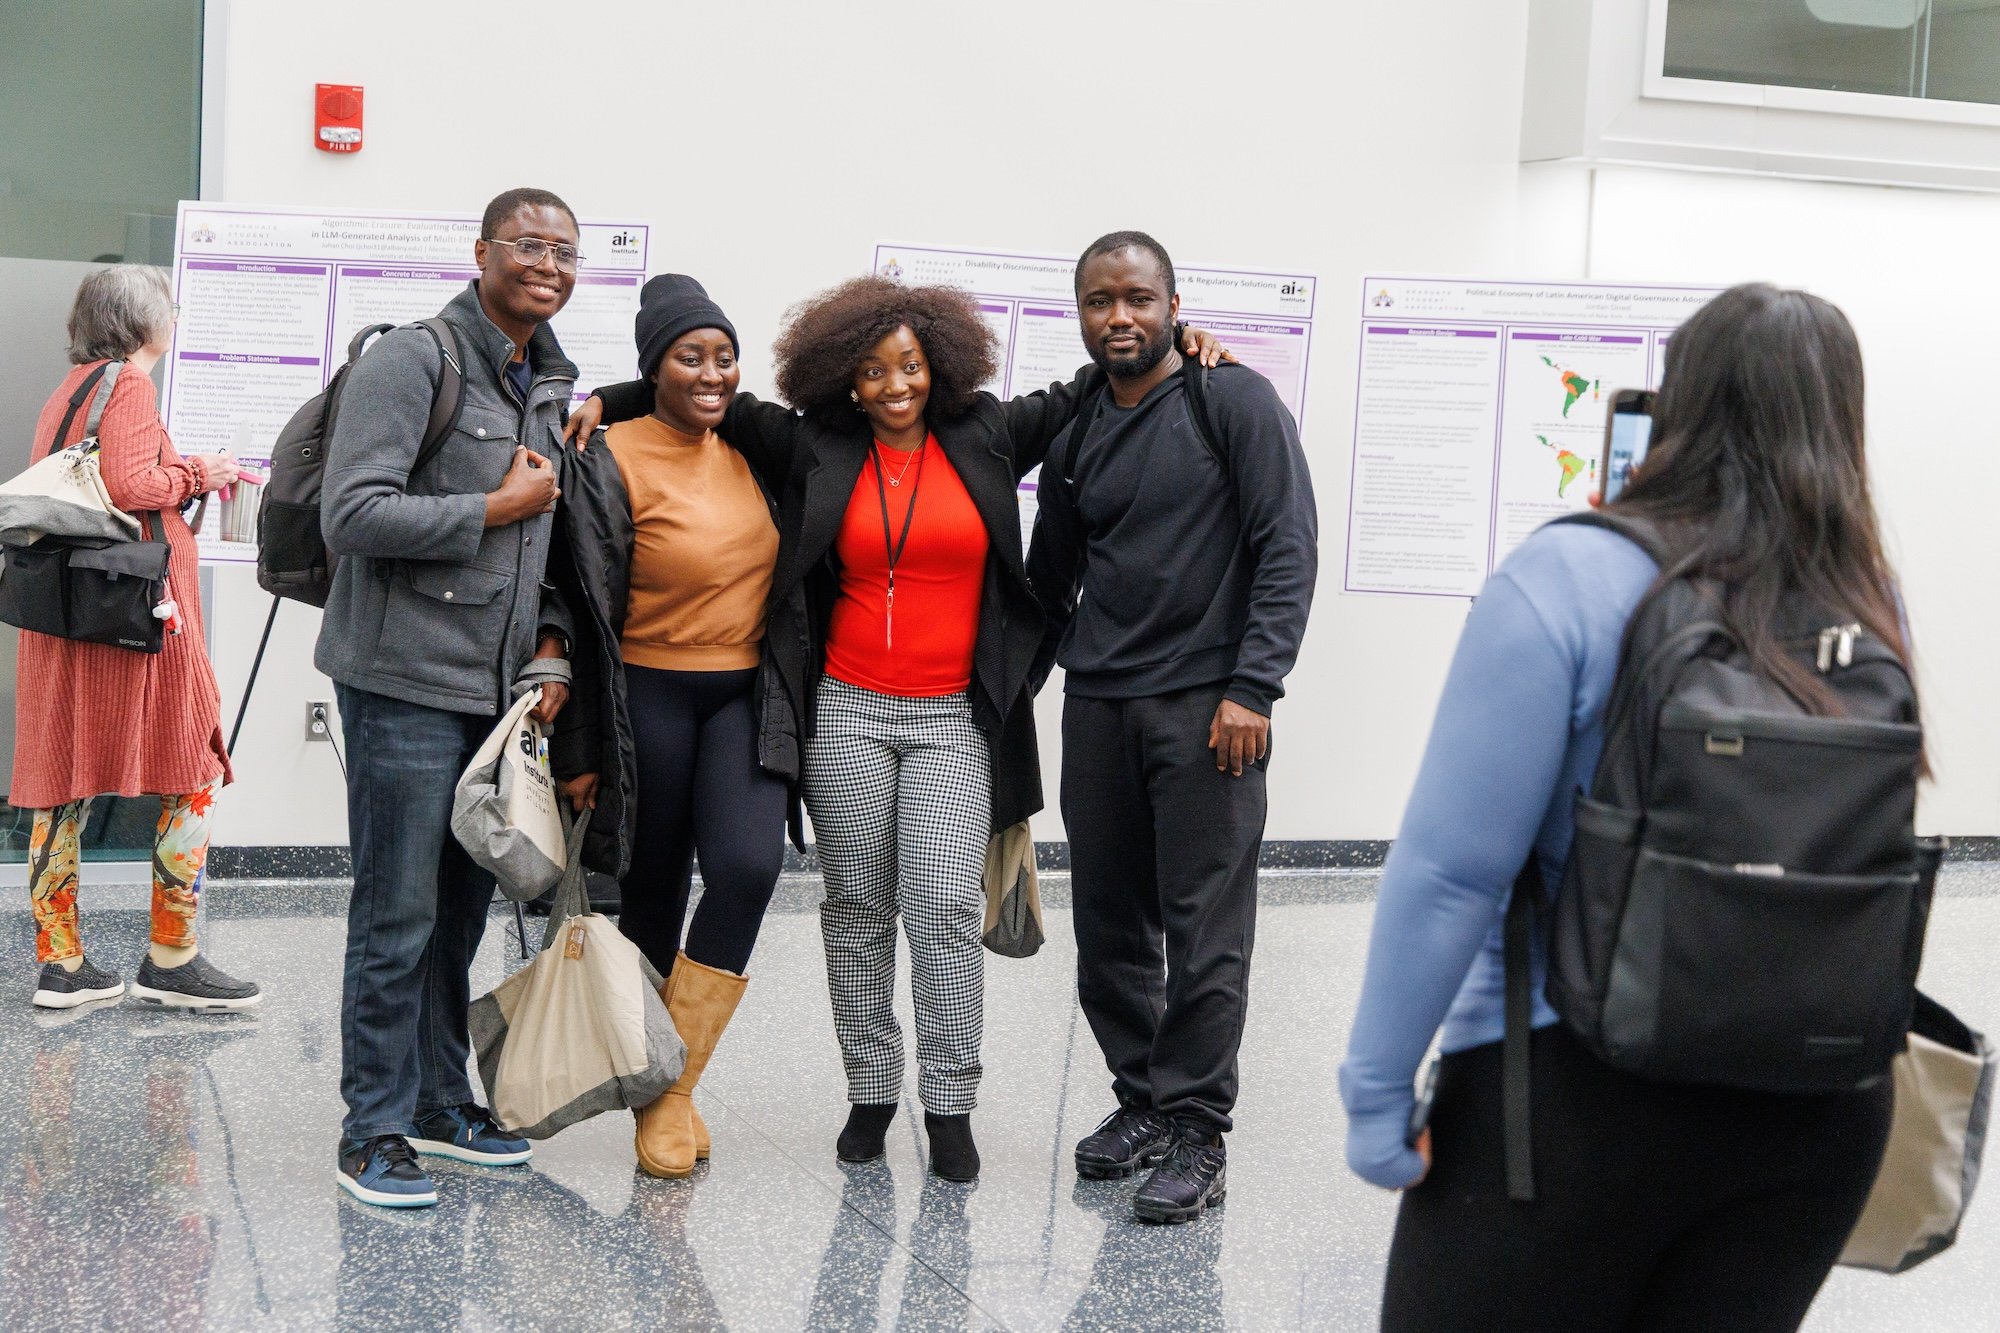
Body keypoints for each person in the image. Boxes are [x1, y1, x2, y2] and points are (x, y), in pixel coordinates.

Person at [568, 276, 1231, 1182]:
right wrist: (611, 395)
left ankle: (950, 1103)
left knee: (947, 911)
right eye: (874, 370)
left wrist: (1187, 340)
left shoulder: (987, 433)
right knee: (854, 912)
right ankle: (871, 1090)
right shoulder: (814, 445)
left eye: (911, 367)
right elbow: (705, 387)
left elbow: (1094, 379)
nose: (895, 386)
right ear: (846, 377)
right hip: (845, 708)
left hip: (952, 715)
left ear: (939, 368)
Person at [1338, 285, 1909, 1330]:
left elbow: (1449, 871)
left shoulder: (1567, 572)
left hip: (1568, 1096)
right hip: (1818, 1106)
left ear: (1675, 403)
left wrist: (1375, 1097)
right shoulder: (1865, 593)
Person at [1028, 231, 1317, 1224]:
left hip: (1208, 709)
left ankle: (1196, 1126)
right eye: (1100, 300)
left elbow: (1287, 543)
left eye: (1137, 298)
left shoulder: (1225, 399)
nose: (1120, 315)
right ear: (1079, 313)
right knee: (1107, 919)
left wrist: (1255, 686)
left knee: (1202, 928)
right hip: (1099, 704)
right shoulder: (1073, 430)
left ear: (1172, 304)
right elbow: (1048, 571)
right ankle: (1141, 1102)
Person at [317, 187, 589, 1209]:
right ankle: (371, 1127)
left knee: (458, 911)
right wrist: (494, 505)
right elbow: (352, 514)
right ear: (482, 252)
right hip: (399, 682)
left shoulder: (547, 381)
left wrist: (549, 650)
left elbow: (548, 544)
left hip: (495, 693)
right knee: (396, 911)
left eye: (563, 250)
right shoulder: (414, 358)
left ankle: (437, 1100)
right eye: (527, 244)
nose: (547, 262)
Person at [551, 275, 796, 1180]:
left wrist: (623, 386)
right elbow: (575, 599)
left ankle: (676, 1084)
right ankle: (661, 1093)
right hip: (642, 693)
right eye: (690, 356)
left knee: (745, 868)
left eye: (724, 357)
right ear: (655, 364)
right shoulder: (606, 451)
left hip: (743, 694)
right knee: (650, 891)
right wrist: (577, 748)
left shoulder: (751, 446)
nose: (711, 373)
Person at [16, 265, 260, 1013]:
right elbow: (128, 488)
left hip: (74, 618)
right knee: (194, 766)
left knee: (60, 782)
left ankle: (61, 962)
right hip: (136, 621)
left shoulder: (76, 386)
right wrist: (199, 471)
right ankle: (173, 954)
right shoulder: (128, 384)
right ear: (146, 320)